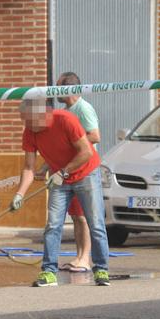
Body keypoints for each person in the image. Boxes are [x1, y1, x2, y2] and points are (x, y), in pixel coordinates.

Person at [10, 99, 110, 287]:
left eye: (30, 121)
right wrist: (20, 195)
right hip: (60, 178)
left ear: (44, 115)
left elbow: (86, 152)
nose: (27, 126)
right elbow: (29, 167)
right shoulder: (30, 132)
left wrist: (63, 172)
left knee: (95, 222)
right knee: (53, 225)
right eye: (25, 121)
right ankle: (48, 272)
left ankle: (102, 270)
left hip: (86, 174)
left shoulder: (65, 120)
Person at [36, 72, 100, 273]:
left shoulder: (83, 108)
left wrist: (76, 144)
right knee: (75, 217)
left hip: (82, 171)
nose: (54, 90)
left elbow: (95, 136)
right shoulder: (66, 111)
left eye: (58, 86)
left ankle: (85, 259)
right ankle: (79, 257)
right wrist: (45, 167)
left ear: (69, 88)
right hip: (67, 171)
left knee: (84, 217)